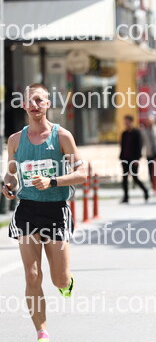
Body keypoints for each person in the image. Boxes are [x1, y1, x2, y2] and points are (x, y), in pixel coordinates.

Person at [4, 84, 87, 342]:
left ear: (48, 104)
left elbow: (82, 173)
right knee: (32, 274)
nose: (35, 105)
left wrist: (52, 181)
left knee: (59, 279)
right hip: (27, 209)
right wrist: (8, 186)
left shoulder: (62, 136)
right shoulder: (15, 140)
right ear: (23, 105)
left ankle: (66, 283)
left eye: (40, 100)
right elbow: (11, 174)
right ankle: (42, 332)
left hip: (55, 209)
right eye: (30, 101)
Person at [119, 115, 149, 203]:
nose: (126, 123)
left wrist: (137, 159)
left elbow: (139, 146)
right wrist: (121, 158)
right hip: (125, 159)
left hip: (133, 159)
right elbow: (122, 147)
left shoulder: (137, 133)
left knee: (135, 178)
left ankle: (145, 190)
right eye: (125, 121)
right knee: (124, 179)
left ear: (131, 122)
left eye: (127, 121)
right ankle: (126, 197)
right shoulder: (124, 133)